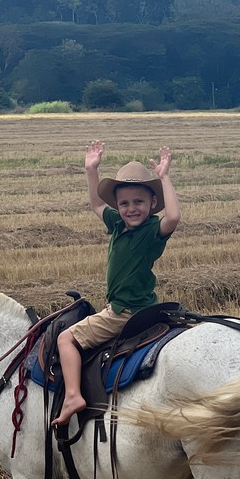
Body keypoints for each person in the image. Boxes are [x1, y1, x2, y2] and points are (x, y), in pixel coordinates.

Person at [51, 139, 181, 426]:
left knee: (65, 338)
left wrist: (164, 177)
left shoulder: (151, 231)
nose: (131, 208)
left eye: (139, 202)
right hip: (137, 307)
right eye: (124, 203)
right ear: (118, 207)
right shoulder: (117, 224)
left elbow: (174, 216)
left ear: (152, 203)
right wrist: (91, 170)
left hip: (123, 312)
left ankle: (73, 395)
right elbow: (96, 203)